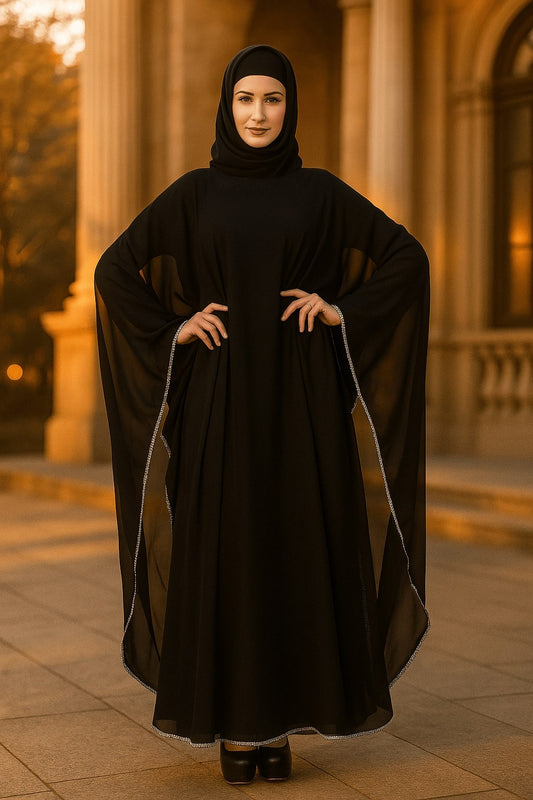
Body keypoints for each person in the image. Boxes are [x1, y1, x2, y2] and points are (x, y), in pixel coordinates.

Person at [95, 44, 430, 786]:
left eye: (272, 100)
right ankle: (234, 728)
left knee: (295, 548)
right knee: (229, 549)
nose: (257, 114)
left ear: (290, 108)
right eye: (246, 99)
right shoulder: (194, 193)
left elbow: (405, 257)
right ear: (227, 104)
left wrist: (342, 309)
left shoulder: (319, 193)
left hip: (303, 405)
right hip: (218, 404)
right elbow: (115, 268)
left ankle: (276, 724)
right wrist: (172, 326)